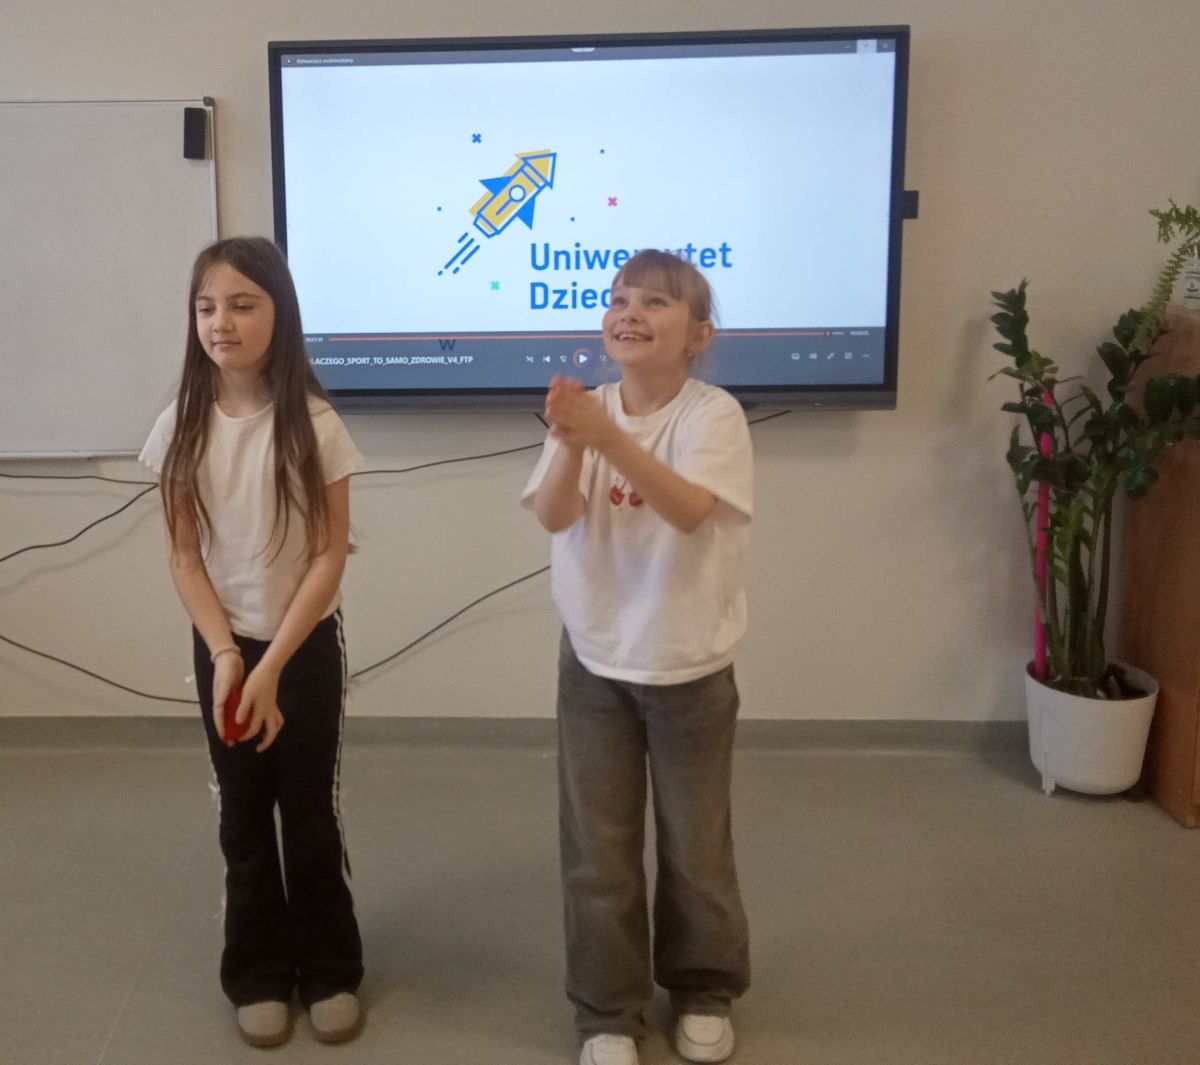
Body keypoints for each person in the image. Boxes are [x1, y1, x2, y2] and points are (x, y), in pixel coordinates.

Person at [522, 250, 753, 1065]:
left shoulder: (713, 415)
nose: (629, 311)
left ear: (698, 335)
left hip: (690, 666)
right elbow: (554, 515)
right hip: (594, 663)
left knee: (696, 848)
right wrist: (573, 440)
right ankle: (608, 1011)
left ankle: (703, 988)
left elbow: (688, 509)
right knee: (598, 851)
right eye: (618, 297)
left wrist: (606, 439)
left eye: (655, 301)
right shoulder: (588, 411)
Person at [140, 236, 365, 1048]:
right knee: (241, 814)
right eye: (207, 307)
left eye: (242, 304)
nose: (221, 323)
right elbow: (184, 557)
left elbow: (329, 556)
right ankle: (259, 971)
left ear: (281, 312)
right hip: (225, 648)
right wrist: (230, 656)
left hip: (302, 649)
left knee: (308, 814)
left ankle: (330, 969)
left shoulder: (315, 424)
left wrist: (273, 664)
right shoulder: (180, 425)